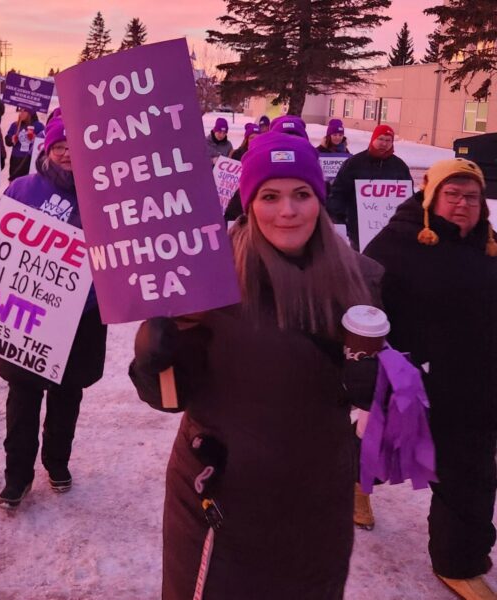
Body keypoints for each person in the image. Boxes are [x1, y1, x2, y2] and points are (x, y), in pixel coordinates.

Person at [130, 133, 383, 599]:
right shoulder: (210, 278)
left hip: (316, 505)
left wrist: (378, 391)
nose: (287, 210)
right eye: (270, 196)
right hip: (221, 501)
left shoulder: (364, 280)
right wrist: (153, 358)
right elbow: (171, 396)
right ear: (249, 204)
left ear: (319, 200)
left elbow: (399, 409)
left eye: (301, 194)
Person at [363, 158, 497, 600]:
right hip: (413, 381)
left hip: (475, 387)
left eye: (472, 196)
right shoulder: (398, 243)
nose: (462, 204)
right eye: (453, 194)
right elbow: (365, 306)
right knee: (384, 446)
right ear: (432, 197)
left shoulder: (490, 247)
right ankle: (355, 485)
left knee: (469, 473)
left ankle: (459, 562)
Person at [0, 117, 108, 510]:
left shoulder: (102, 194)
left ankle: (57, 463)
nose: (67, 154)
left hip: (81, 315)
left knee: (68, 396)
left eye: (73, 146)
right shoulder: (22, 189)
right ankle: (17, 477)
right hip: (27, 315)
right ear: (47, 149)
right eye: (59, 146)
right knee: (23, 397)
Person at [327, 124, 412, 251]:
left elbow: (408, 197)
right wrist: (339, 218)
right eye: (381, 139)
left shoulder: (399, 166)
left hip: (390, 231)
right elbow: (338, 193)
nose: (384, 143)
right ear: (373, 139)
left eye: (388, 140)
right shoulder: (354, 163)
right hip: (357, 230)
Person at [4, 107, 45, 181]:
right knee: (15, 181)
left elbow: (44, 143)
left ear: (30, 113)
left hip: (30, 159)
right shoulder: (15, 125)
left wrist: (36, 138)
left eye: (24, 111)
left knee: (28, 182)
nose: (21, 114)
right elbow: (7, 141)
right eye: (20, 111)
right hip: (16, 158)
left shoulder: (39, 126)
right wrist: (11, 139)